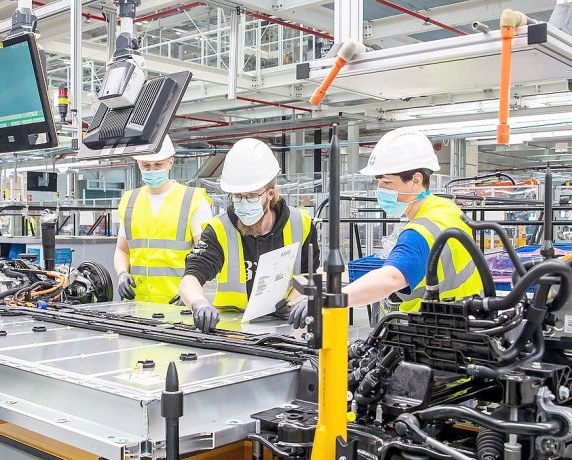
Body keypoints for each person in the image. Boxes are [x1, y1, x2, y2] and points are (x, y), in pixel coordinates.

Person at [179, 138, 319, 332]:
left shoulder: (300, 224)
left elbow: (309, 274)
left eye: (251, 196)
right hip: (231, 328)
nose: (243, 202)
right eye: (237, 196)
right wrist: (199, 303)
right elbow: (190, 278)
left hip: (286, 327)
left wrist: (300, 299)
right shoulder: (219, 228)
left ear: (270, 194)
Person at [341, 129, 484, 314]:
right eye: (379, 182)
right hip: (469, 319)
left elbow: (391, 279)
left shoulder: (419, 231)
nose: (380, 190)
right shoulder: (448, 209)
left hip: (429, 330)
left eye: (387, 183)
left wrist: (332, 300)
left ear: (416, 179)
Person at [114, 135, 212, 303]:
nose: (152, 170)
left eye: (158, 165)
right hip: (136, 303)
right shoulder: (129, 200)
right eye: (146, 165)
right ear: (138, 164)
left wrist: (193, 291)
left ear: (170, 162)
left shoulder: (193, 200)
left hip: (178, 303)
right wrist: (122, 273)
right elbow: (123, 249)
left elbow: (207, 256)